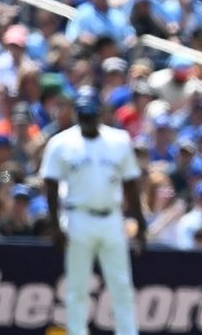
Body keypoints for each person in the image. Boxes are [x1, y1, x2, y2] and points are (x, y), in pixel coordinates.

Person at [40, 86, 145, 335]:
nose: (87, 120)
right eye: (83, 114)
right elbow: (50, 184)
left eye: (92, 114)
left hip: (111, 217)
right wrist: (55, 225)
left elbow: (131, 184)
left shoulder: (118, 141)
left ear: (101, 113)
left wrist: (140, 223)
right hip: (78, 218)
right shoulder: (61, 142)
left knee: (121, 285)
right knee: (77, 288)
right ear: (76, 114)